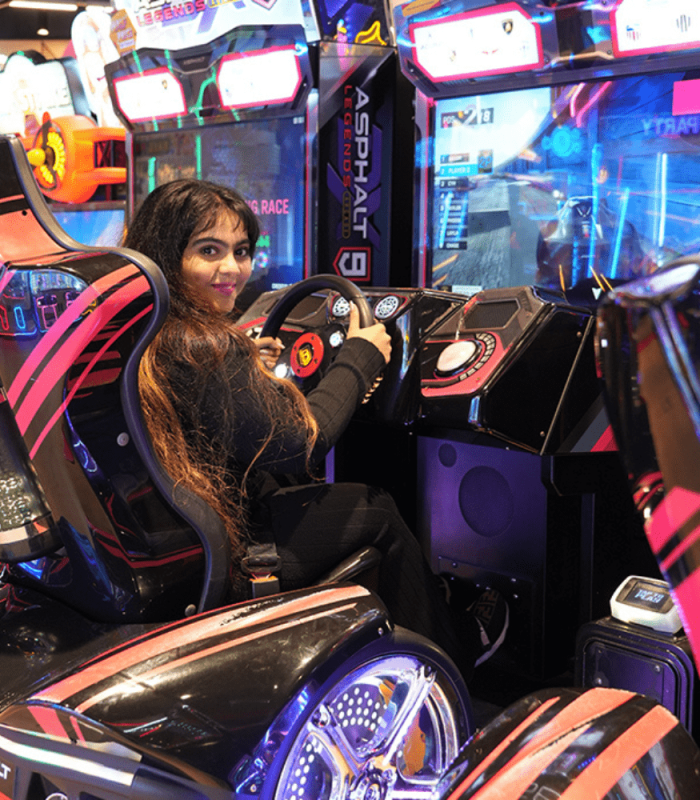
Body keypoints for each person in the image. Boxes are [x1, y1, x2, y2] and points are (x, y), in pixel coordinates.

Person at [124, 178, 508, 682]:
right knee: (375, 509)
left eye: (241, 251)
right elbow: (302, 443)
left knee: (294, 488)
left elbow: (212, 412)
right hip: (229, 556)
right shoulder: (204, 347)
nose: (232, 269)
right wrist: (359, 357)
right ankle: (452, 654)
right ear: (165, 255)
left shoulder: (152, 331)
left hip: (172, 545)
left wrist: (247, 367)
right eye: (208, 251)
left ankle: (413, 613)